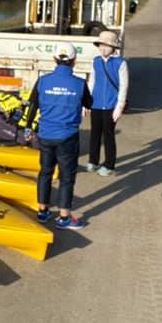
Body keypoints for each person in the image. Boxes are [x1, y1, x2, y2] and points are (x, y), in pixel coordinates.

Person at [25, 42, 93, 229]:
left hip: (45, 136)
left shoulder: (43, 81)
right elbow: (89, 102)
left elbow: (32, 106)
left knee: (45, 172)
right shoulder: (79, 84)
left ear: (54, 59)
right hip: (67, 137)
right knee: (66, 177)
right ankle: (64, 217)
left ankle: (42, 211)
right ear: (74, 61)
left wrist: (28, 127)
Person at [85, 30, 129, 176]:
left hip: (111, 105)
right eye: (101, 45)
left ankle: (109, 164)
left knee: (108, 134)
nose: (103, 48)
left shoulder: (120, 63)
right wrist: (87, 102)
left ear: (113, 47)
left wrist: (119, 106)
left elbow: (124, 86)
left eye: (107, 45)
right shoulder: (95, 61)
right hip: (96, 103)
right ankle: (93, 160)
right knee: (95, 133)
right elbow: (91, 82)